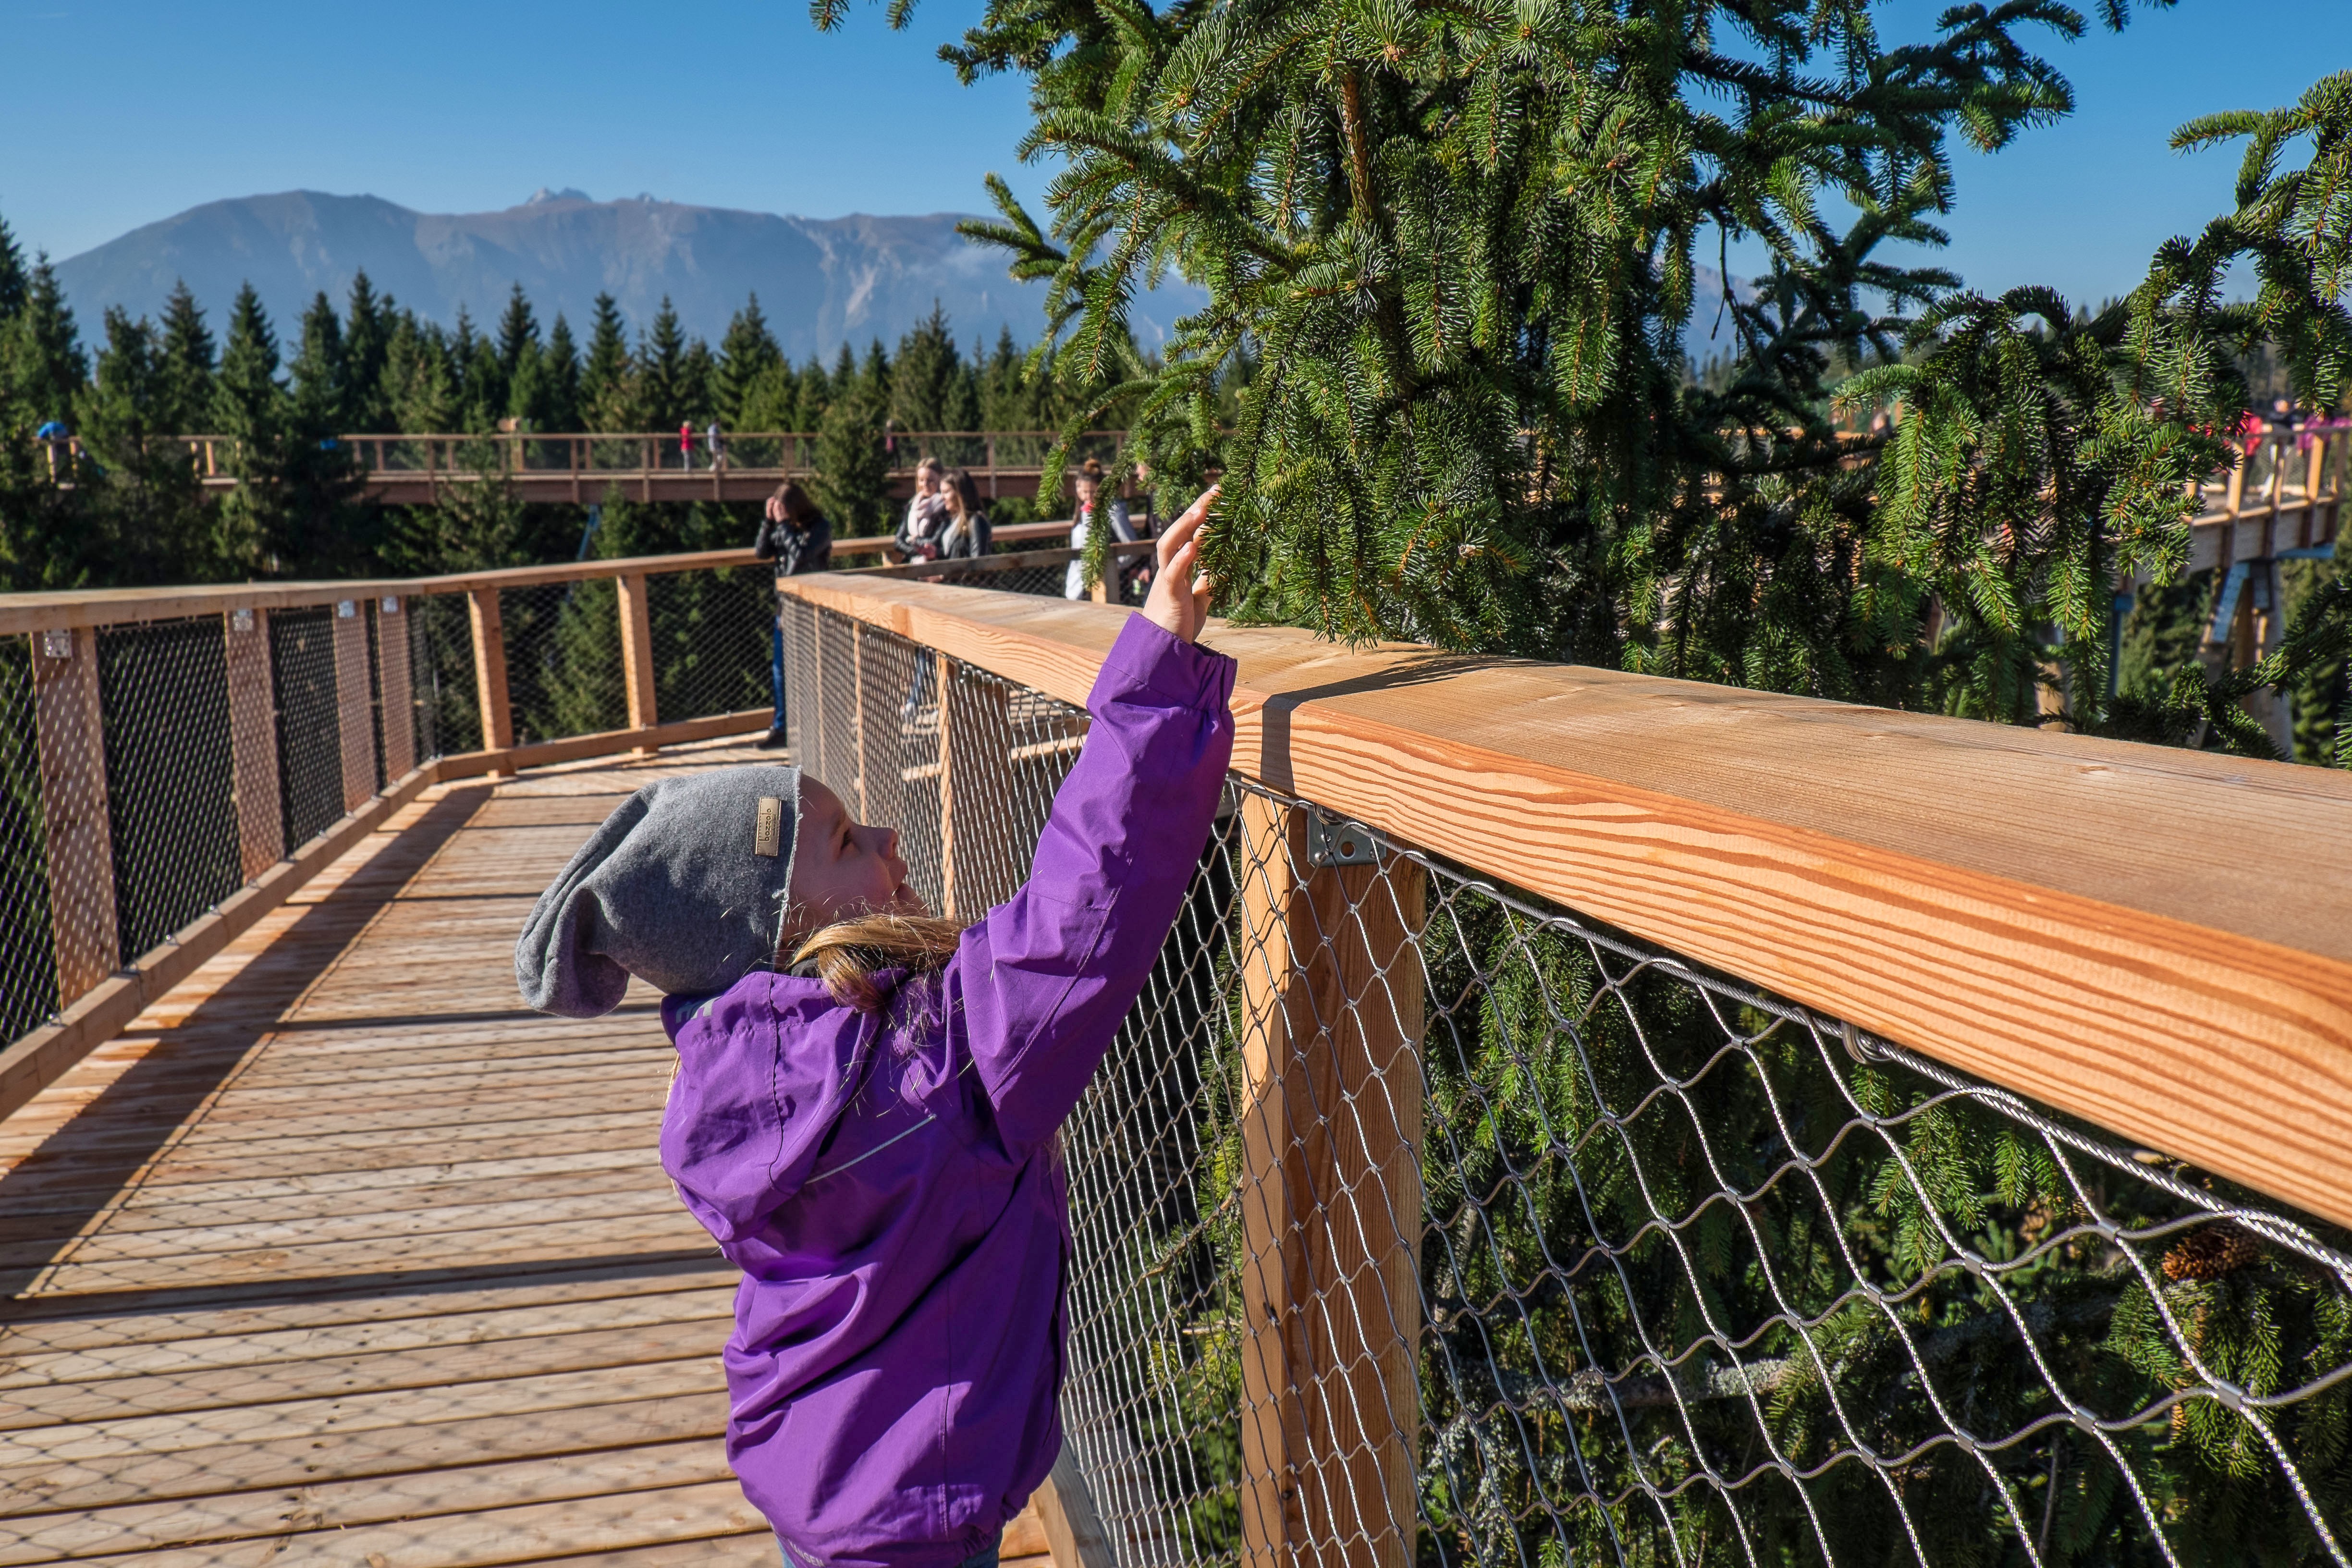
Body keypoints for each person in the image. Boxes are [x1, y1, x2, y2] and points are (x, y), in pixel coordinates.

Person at [514, 490, 1228, 1568]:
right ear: (785, 931)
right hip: (917, 1515)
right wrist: (1160, 671)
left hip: (821, 1479)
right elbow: (1083, 908)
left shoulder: (722, 1065)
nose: (890, 834)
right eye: (848, 841)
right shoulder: (925, 1066)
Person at [752, 482, 834, 751]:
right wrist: (768, 523)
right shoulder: (782, 528)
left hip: (811, 611)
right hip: (785, 609)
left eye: (783, 508)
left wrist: (784, 526)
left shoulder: (819, 527)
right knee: (780, 671)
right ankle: (781, 728)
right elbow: (761, 552)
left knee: (813, 671)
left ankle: (821, 728)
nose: (780, 513)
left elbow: (800, 558)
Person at [1062, 458, 1139, 599]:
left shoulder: (1113, 510)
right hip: (1079, 585)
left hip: (1109, 585)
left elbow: (1132, 548)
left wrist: (1110, 567)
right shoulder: (1082, 511)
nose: (1088, 497)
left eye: (1093, 492)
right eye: (1084, 492)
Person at [894, 458, 951, 561]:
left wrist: (912, 540)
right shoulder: (912, 506)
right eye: (921, 480)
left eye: (930, 481)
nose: (925, 485)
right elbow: (898, 541)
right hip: (912, 561)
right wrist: (916, 551)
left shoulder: (946, 508)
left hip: (936, 563)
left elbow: (934, 542)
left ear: (940, 480)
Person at [935, 468, 994, 564]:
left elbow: (979, 562)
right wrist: (936, 553)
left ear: (960, 493)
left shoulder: (976, 520)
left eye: (946, 492)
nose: (942, 497)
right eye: (941, 492)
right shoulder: (953, 520)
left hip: (961, 574)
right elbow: (954, 555)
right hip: (952, 574)